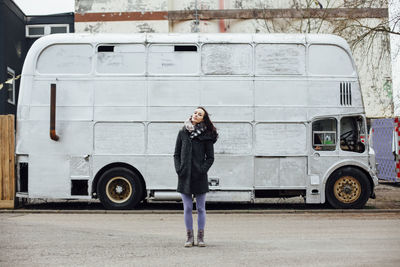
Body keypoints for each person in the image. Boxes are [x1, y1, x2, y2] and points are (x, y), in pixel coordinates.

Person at [174, 107, 218, 247]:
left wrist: (202, 170)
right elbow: (176, 154)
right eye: (195, 113)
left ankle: (200, 237)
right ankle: (189, 237)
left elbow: (210, 158)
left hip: (199, 176)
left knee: (200, 208)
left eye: (200, 114)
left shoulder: (207, 135)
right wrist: (179, 169)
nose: (196, 115)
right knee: (187, 208)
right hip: (184, 175)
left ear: (203, 119)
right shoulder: (182, 133)